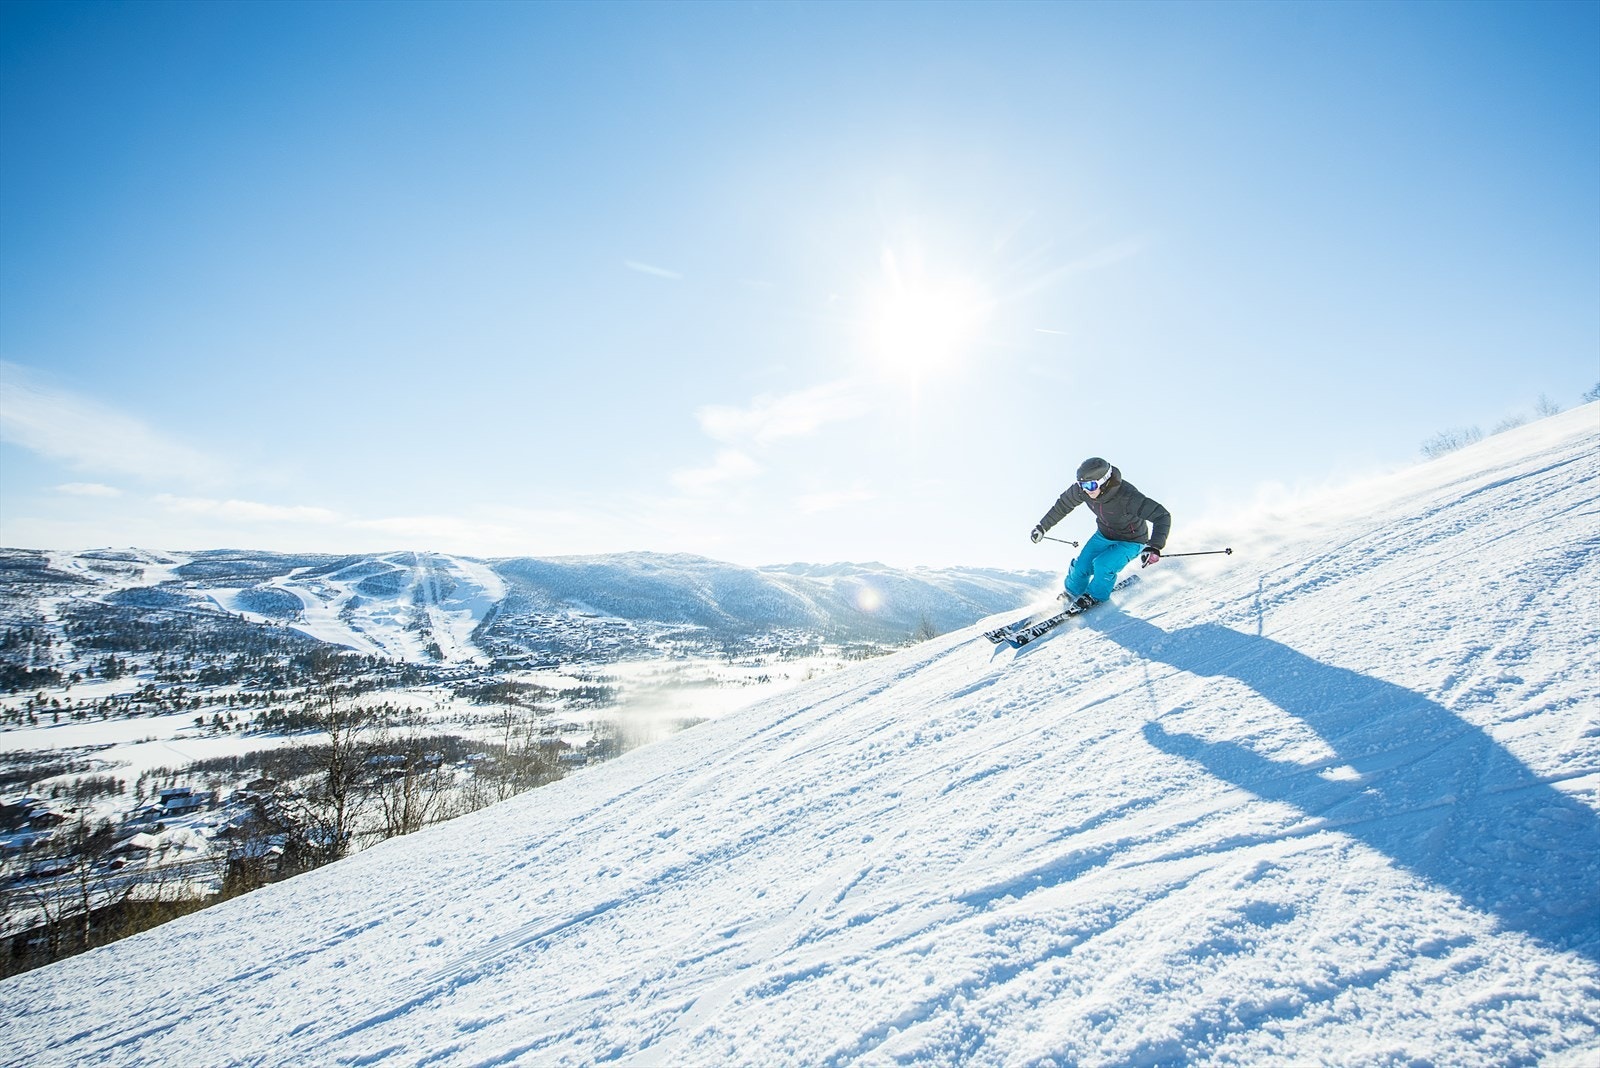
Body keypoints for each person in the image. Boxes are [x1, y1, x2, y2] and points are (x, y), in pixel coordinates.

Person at [1030, 456, 1171, 610]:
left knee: (1103, 565)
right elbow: (1063, 505)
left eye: (1090, 485)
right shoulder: (1083, 490)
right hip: (1104, 534)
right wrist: (1042, 527)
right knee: (1081, 566)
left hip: (1132, 540)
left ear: (1104, 481)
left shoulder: (1128, 497)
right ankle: (1071, 593)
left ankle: (1096, 596)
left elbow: (1161, 515)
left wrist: (1154, 546)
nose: (1084, 490)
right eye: (1081, 485)